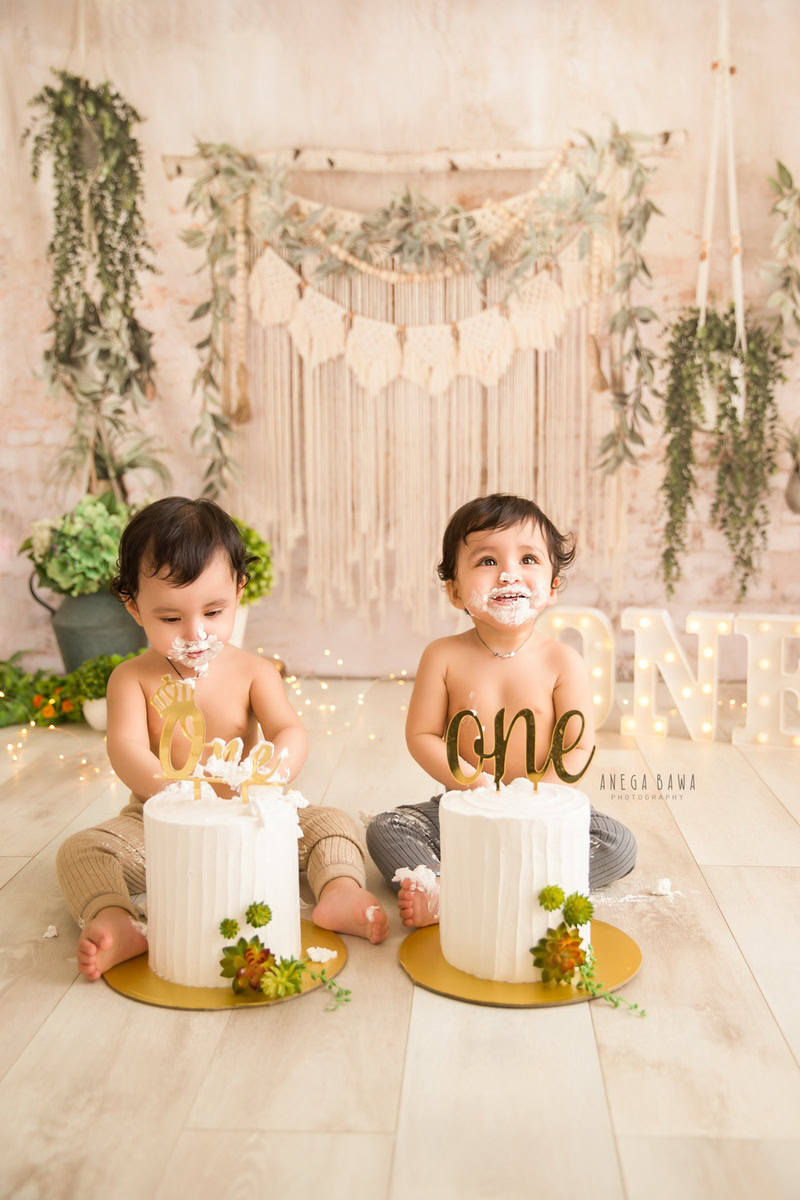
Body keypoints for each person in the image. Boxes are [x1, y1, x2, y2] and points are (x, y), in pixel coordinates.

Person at [57, 497, 388, 981]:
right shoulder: (131, 678)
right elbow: (124, 749)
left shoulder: (253, 670)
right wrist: (177, 792)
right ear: (133, 607)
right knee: (82, 851)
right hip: (162, 826)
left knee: (332, 823)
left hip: (250, 817)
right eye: (170, 619)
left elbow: (288, 729)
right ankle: (116, 919)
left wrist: (273, 770)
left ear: (239, 590)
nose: (196, 633)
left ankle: (338, 892)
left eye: (214, 611)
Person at [366, 492, 637, 928]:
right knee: (388, 827)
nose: (509, 573)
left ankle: (480, 889)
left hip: (542, 810)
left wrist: (536, 798)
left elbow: (578, 746)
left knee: (617, 843)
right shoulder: (443, 656)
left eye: (528, 559)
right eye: (487, 561)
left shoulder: (562, 660)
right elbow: (422, 736)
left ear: (552, 587)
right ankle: (454, 884)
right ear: (455, 591)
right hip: (466, 805)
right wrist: (474, 786)